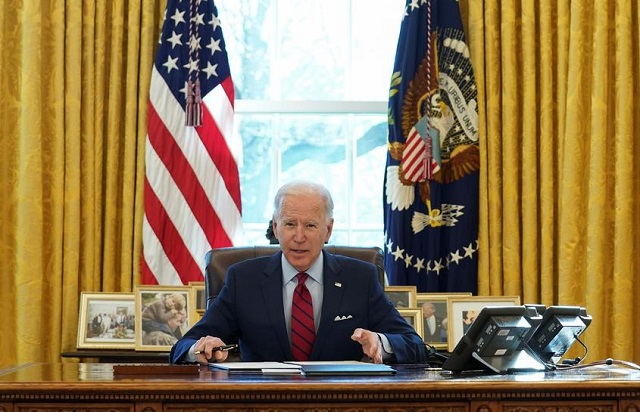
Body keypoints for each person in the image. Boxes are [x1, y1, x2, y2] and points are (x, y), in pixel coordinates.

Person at [170, 180, 427, 365]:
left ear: (328, 229)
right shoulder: (242, 280)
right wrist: (200, 349)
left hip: (340, 404)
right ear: (276, 226)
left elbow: (415, 346)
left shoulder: (360, 278)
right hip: (262, 403)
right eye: (290, 224)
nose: (299, 237)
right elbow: (182, 346)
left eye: (311, 225)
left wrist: (380, 342)